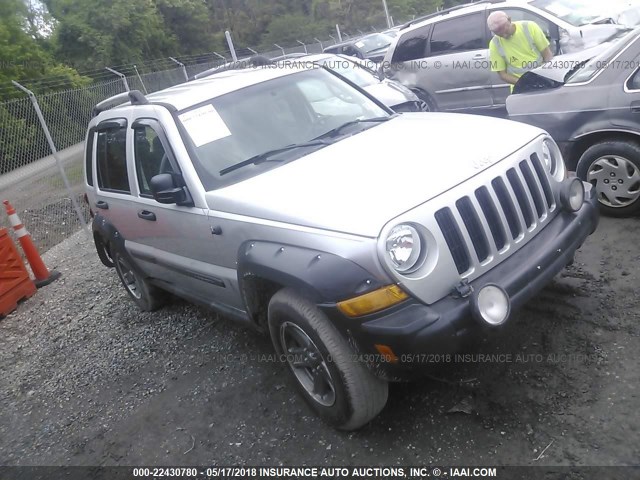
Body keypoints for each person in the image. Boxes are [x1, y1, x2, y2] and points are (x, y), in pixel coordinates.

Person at [487, 11, 553, 91]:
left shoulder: (529, 27)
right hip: (520, 87)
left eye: (505, 31)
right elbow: (502, 74)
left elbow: (547, 55)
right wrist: (524, 83)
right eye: (498, 33)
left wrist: (549, 77)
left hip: (543, 80)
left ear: (509, 20)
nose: (504, 35)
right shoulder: (494, 44)